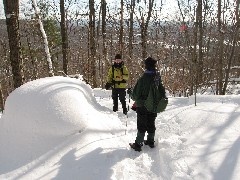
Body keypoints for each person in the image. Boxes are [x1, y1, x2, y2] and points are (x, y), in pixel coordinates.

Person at [128, 57, 166, 151]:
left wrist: (130, 92)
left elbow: (135, 96)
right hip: (154, 105)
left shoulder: (143, 79)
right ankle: (150, 141)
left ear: (146, 66)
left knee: (142, 125)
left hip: (142, 105)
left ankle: (138, 144)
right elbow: (162, 92)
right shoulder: (157, 78)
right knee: (151, 123)